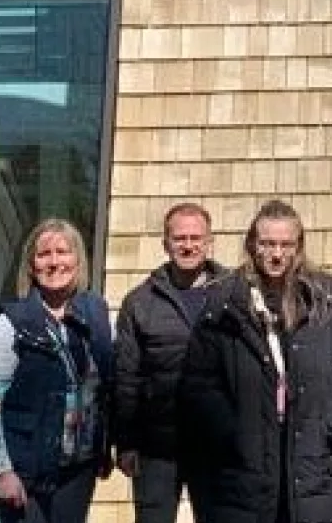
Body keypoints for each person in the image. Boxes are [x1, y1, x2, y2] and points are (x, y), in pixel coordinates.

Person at [178, 199, 332, 523]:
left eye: (285, 244)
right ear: (253, 244)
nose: (276, 254)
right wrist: (230, 431)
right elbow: (199, 380)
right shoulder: (223, 304)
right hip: (243, 467)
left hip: (310, 459)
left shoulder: (326, 301)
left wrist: (330, 424)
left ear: (299, 246)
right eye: (267, 244)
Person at [0, 218, 114, 523]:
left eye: (63, 252)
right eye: (44, 254)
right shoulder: (9, 323)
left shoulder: (97, 314)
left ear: (78, 259)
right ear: (31, 265)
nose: (54, 262)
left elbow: (107, 388)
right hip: (25, 473)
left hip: (78, 470)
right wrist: (2, 472)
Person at [113, 202, 228, 523]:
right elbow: (126, 376)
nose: (188, 246)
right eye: (180, 238)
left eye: (196, 238)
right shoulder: (140, 302)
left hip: (217, 444)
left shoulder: (234, 296)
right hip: (156, 447)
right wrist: (126, 442)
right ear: (166, 244)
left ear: (209, 242)